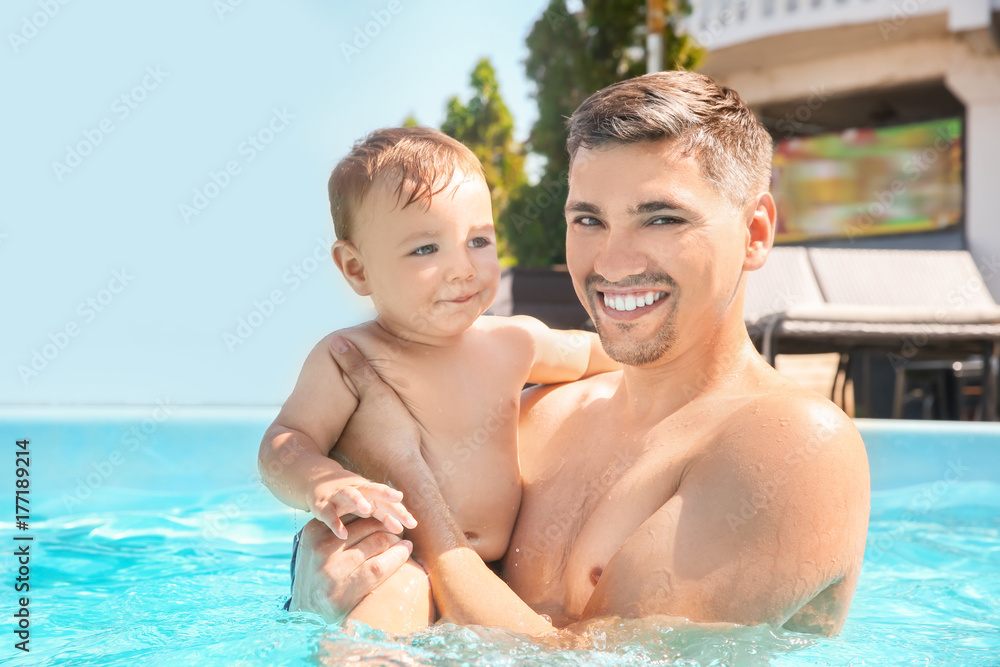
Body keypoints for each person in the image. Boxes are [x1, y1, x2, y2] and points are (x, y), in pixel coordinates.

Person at [289, 71, 871, 637]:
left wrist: (408, 475)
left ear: (756, 232)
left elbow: (598, 665)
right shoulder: (535, 417)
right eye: (589, 219)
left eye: (662, 218)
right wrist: (318, 592)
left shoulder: (795, 446)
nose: (613, 263)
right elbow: (426, 605)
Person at [258, 127, 619, 633]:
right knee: (398, 601)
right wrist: (327, 483)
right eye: (426, 249)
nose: (463, 268)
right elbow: (283, 443)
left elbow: (595, 355)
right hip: (389, 561)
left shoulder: (512, 344)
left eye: (479, 240)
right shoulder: (350, 357)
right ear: (356, 268)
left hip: (486, 573)